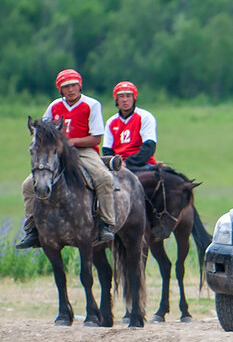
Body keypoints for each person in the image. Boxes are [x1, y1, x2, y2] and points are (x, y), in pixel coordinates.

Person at [16, 69, 115, 249]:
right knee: (28, 186)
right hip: (57, 154)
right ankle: (32, 230)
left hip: (84, 151)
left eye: (73, 85)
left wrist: (70, 141)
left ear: (80, 85)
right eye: (66, 87)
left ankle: (105, 224)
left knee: (104, 178)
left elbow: (96, 138)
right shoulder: (54, 106)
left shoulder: (92, 105)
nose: (70, 90)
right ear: (60, 90)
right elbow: (43, 131)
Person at [102, 81, 157, 170]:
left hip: (142, 165)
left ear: (134, 98)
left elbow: (149, 147)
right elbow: (107, 151)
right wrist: (117, 163)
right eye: (121, 96)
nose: (125, 100)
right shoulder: (111, 122)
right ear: (116, 99)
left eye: (128, 96)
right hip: (118, 166)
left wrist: (127, 163)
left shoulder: (145, 117)